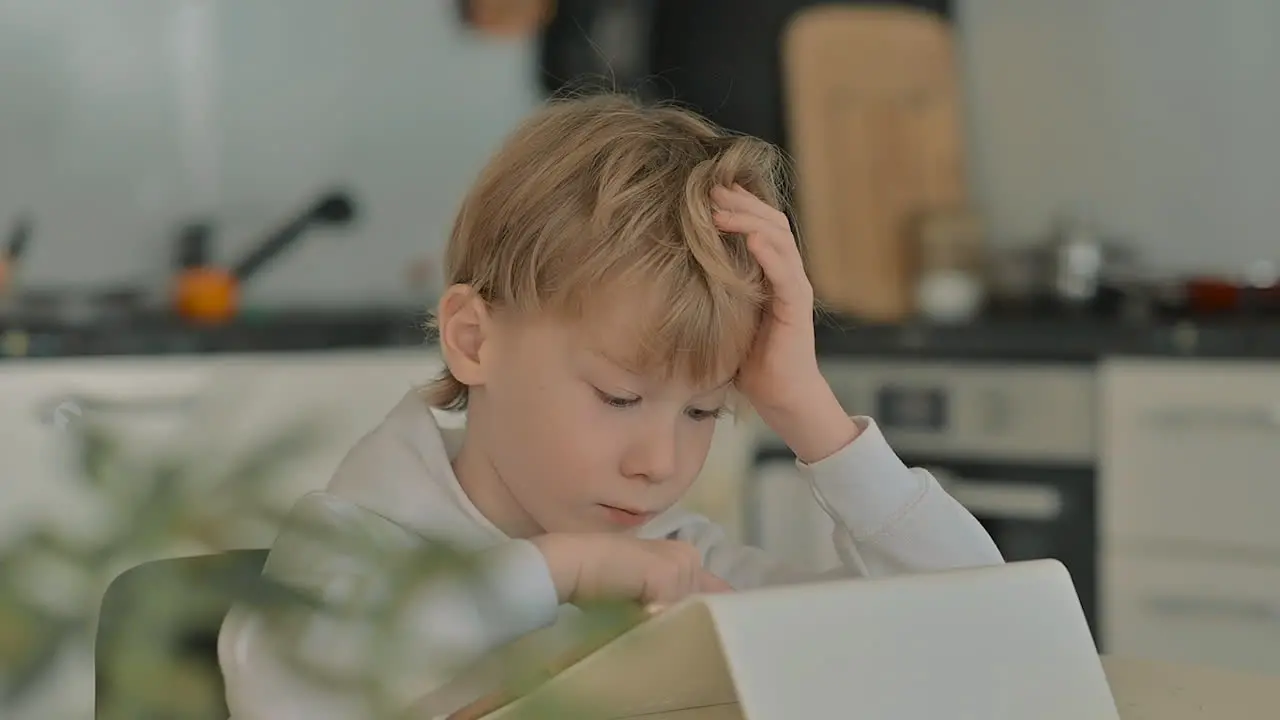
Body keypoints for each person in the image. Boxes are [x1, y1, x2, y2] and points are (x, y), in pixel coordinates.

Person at [217, 93, 1002, 719]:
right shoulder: (353, 542)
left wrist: (809, 412)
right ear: (473, 340)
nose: (657, 464)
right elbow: (296, 682)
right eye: (619, 396)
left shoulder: (681, 560)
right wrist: (560, 571)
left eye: (703, 412)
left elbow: (983, 638)